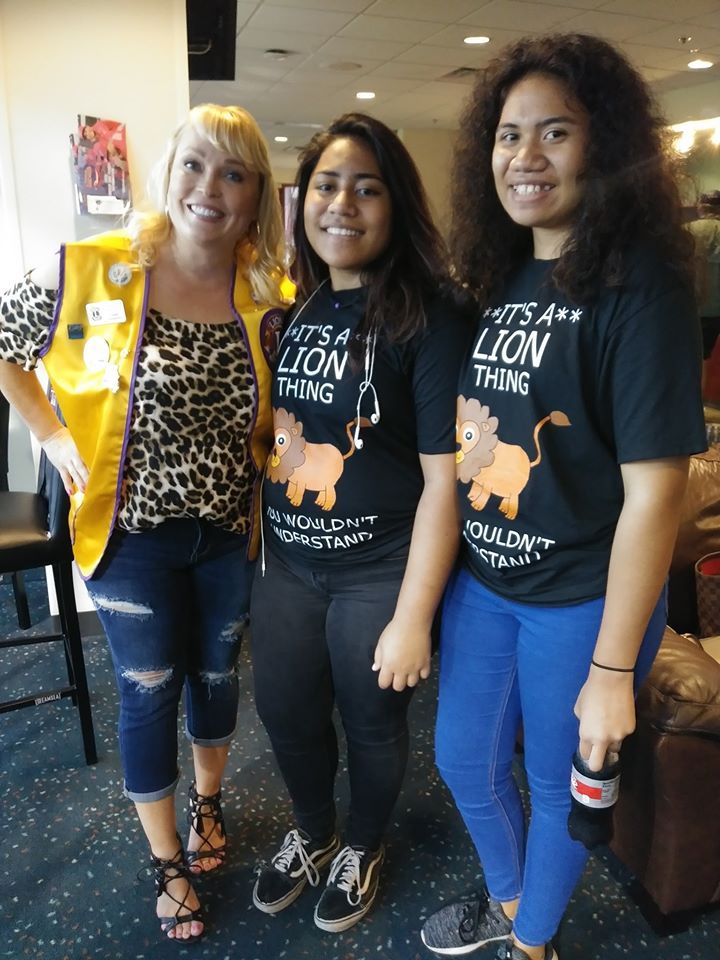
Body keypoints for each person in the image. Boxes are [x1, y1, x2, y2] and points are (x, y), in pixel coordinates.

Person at [419, 33, 707, 960]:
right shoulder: (499, 274)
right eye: (508, 136)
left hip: (582, 601)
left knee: (555, 786)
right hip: (487, 579)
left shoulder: (643, 287)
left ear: (605, 147)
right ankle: (513, 903)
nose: (525, 157)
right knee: (463, 760)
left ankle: (530, 943)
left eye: (556, 133)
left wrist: (616, 672)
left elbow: (658, 491)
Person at [0, 103, 286, 943]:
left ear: (256, 194)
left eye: (234, 173)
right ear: (168, 171)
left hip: (230, 529)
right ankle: (166, 860)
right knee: (148, 689)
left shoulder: (268, 294)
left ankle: (207, 803)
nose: (211, 188)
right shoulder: (97, 268)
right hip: (131, 534)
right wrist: (48, 432)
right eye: (196, 164)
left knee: (217, 677)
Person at [249, 112, 470, 933]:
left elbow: (445, 483)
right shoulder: (294, 309)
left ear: (396, 205)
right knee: (282, 708)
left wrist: (415, 617)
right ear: (302, 200)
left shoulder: (431, 315)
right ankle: (313, 834)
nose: (343, 204)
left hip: (381, 567)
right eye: (327, 185)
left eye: (367, 189)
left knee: (371, 716)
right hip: (287, 561)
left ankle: (363, 844)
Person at [687, 191, 720, 392]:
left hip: (698, 308)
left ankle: (697, 410)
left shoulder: (686, 232)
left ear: (700, 206)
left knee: (698, 360)